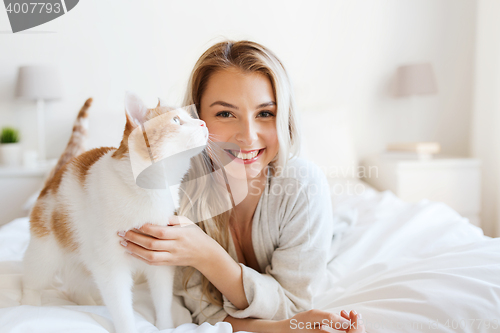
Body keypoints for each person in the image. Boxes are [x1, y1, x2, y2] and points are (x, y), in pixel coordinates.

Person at [118, 40, 365, 333]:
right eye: (225, 113)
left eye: (265, 113)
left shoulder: (304, 186)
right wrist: (286, 328)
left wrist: (206, 254)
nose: (248, 136)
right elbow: (205, 311)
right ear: (196, 120)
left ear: (284, 119)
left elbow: (294, 305)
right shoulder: (177, 191)